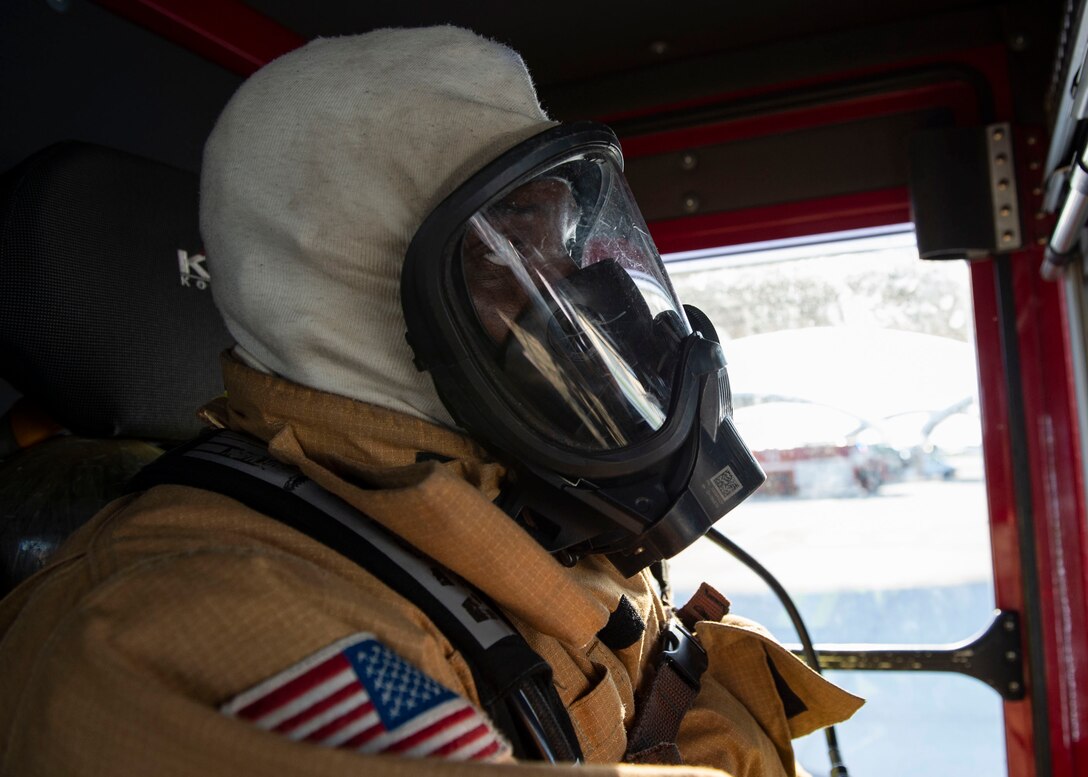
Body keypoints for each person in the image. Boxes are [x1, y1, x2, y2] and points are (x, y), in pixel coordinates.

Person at [0, 27, 861, 776]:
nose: (581, 294)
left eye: (564, 240)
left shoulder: (524, 490)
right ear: (359, 302)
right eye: (512, 244)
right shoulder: (201, 626)